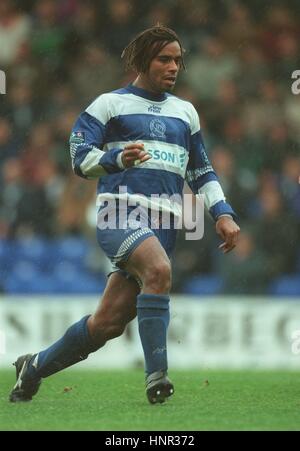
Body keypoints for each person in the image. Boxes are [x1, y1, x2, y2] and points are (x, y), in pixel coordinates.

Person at [9, 25, 240, 405]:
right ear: (142, 60)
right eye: (164, 59)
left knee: (107, 324)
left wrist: (223, 213)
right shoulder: (108, 105)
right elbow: (79, 160)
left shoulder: (186, 113)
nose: (174, 67)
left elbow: (202, 171)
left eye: (178, 60)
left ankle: (32, 367)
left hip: (165, 225)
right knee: (160, 271)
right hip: (119, 214)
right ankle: (156, 377)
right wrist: (116, 158)